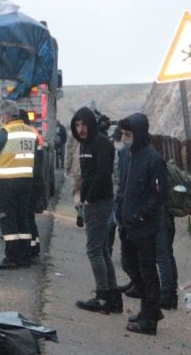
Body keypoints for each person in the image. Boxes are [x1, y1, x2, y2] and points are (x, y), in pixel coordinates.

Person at [115, 113, 168, 335]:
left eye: (128, 134)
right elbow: (123, 187)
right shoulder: (126, 156)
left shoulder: (153, 159)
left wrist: (141, 215)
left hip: (144, 226)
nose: (125, 139)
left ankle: (150, 316)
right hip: (127, 223)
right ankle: (149, 308)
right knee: (130, 265)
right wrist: (120, 212)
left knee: (147, 271)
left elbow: (160, 194)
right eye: (123, 134)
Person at [71, 106, 121, 314]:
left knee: (94, 250)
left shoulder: (101, 143)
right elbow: (86, 175)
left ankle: (103, 296)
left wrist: (89, 199)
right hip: (92, 201)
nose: (80, 129)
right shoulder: (85, 144)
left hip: (99, 202)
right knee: (101, 249)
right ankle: (112, 297)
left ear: (91, 124)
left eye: (84, 124)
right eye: (77, 125)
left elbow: (102, 174)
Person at [0, 100, 36, 269]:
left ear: (5, 116)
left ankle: (11, 257)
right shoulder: (29, 131)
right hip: (26, 180)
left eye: (1, 115)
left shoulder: (5, 131)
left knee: (7, 218)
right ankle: (24, 255)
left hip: (7, 181)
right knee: (23, 217)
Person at [20, 108, 44, 262]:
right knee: (29, 217)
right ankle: (34, 247)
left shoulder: (27, 134)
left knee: (26, 217)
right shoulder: (32, 132)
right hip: (33, 181)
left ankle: (29, 250)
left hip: (28, 181)